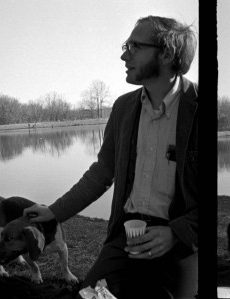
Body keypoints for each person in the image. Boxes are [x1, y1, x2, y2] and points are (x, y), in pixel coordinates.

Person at [24, 15, 199, 299]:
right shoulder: (123, 109)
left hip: (179, 242)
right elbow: (102, 173)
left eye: (134, 46)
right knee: (90, 295)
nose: (123, 55)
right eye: (125, 45)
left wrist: (177, 233)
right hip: (126, 236)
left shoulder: (201, 109)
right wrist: (55, 212)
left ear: (166, 54)